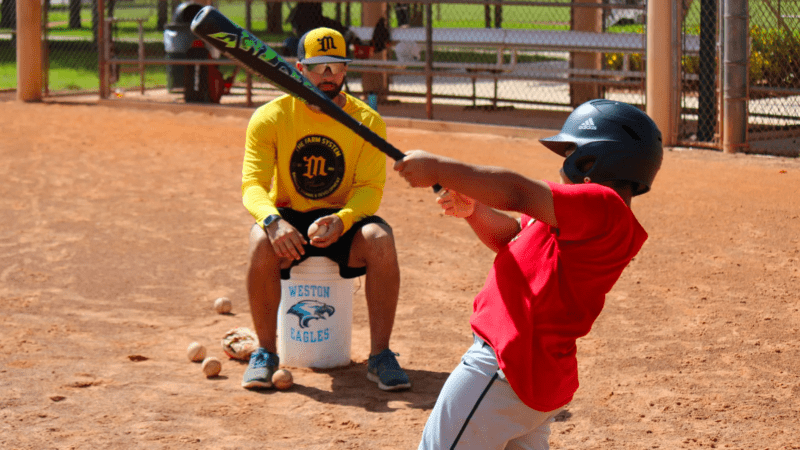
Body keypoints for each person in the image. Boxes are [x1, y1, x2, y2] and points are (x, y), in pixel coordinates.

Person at [394, 99, 663, 449]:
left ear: (591, 160)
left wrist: (440, 169)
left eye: (570, 151)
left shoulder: (604, 206)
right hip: (531, 378)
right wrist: (474, 211)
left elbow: (517, 192)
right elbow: (513, 240)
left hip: (502, 369)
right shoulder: (578, 214)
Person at [241, 27, 410, 392]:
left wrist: (343, 218)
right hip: (289, 218)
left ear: (346, 70)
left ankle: (380, 356)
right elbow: (252, 184)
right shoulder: (271, 117)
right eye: (319, 67)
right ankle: (266, 353)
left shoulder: (367, 121)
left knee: (380, 238)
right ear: (299, 69)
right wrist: (272, 222)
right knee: (258, 240)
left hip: (340, 219)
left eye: (337, 66)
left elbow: (369, 189)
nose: (329, 75)